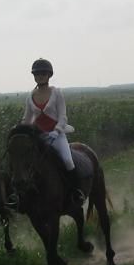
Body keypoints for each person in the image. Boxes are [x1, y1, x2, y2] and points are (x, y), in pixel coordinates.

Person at [20, 57, 83, 207]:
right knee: (23, 162)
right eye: (37, 74)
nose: (40, 76)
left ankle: (76, 192)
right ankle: (22, 198)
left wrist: (57, 130)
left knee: (67, 160)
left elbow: (63, 116)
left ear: (49, 75)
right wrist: (20, 129)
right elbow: (27, 118)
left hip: (57, 135)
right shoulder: (30, 96)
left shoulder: (56, 93)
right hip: (39, 137)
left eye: (43, 73)